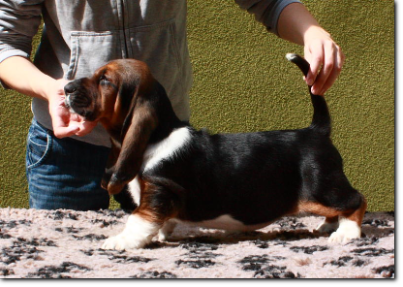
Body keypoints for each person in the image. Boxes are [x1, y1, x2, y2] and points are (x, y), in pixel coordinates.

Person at [0, 0, 344, 211]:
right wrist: (50, 90)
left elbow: (269, 1)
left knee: (165, 262)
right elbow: (5, 42)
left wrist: (311, 31)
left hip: (162, 148)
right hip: (66, 149)